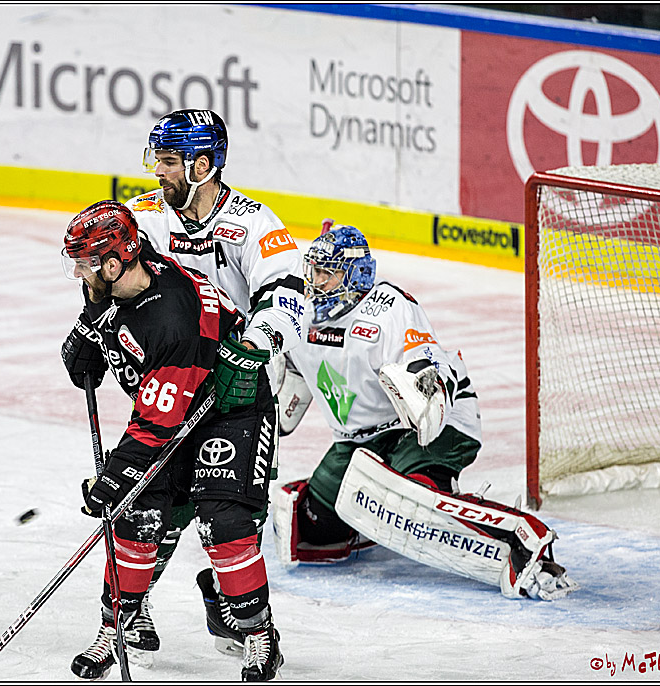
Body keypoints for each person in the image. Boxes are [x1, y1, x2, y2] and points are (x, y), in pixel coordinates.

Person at [267, 221, 578, 600]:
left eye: (327, 273)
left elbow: (424, 365)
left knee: (413, 497)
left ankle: (524, 538)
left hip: (432, 420)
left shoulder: (388, 307)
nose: (316, 283)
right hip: (361, 439)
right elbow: (294, 380)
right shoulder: (300, 312)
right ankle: (372, 519)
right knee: (312, 529)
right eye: (313, 271)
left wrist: (423, 394)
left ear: (355, 275)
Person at [59, 199, 284, 681]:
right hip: (179, 404)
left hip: (230, 412)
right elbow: (105, 315)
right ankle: (113, 629)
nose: (80, 273)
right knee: (136, 518)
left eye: (86, 263)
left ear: (116, 263)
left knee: (224, 522)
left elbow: (156, 425)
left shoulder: (172, 320)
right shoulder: (129, 276)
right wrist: (89, 338)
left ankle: (258, 632)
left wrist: (114, 477)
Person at [120, 109, 305, 656]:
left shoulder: (253, 224)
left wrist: (249, 350)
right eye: (158, 160)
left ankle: (236, 611)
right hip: (170, 387)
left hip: (236, 393)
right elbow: (108, 268)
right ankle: (132, 610)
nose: (159, 173)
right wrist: (93, 323)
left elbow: (289, 295)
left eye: (171, 162)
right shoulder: (145, 217)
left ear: (204, 165)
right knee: (152, 510)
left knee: (228, 515)